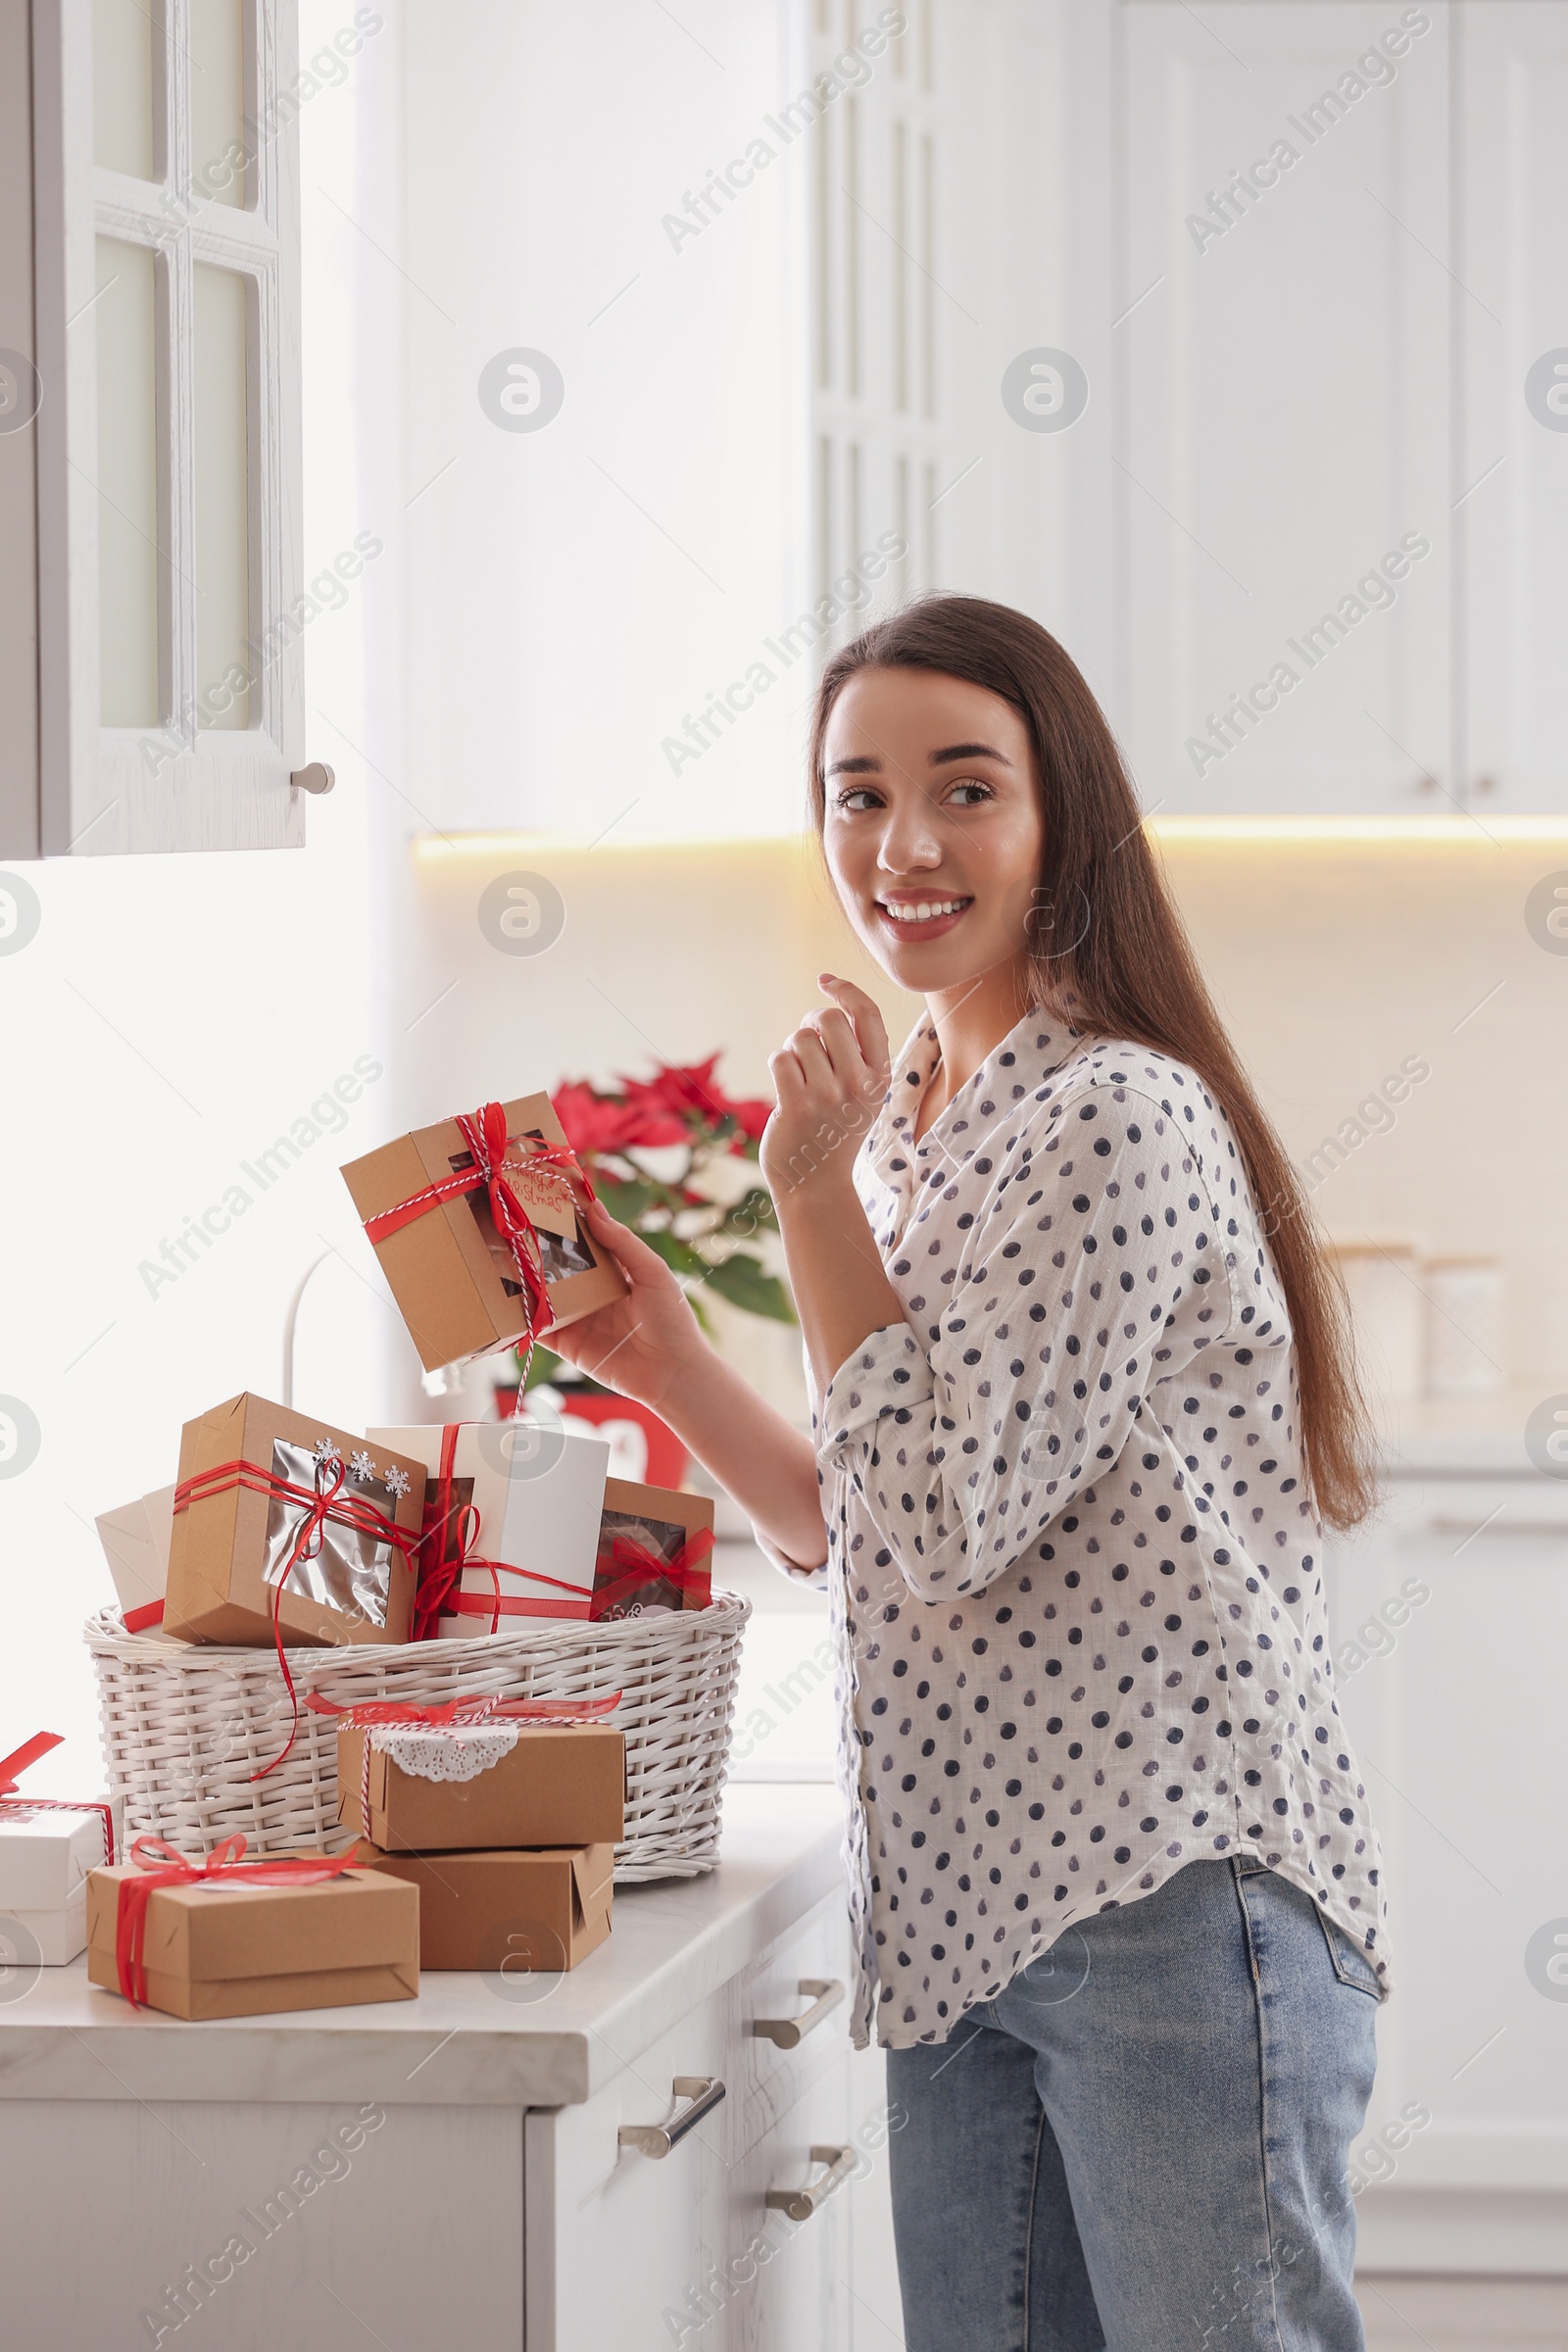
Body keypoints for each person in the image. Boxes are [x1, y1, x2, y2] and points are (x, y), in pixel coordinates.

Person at [551, 595, 1387, 2352]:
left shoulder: (1116, 1116)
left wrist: (806, 1193)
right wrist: (663, 1358)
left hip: (1164, 1907)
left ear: (1058, 818)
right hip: (969, 1920)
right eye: (857, 795)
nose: (901, 845)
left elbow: (931, 1523)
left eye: (962, 789)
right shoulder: (936, 1107)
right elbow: (862, 1513)